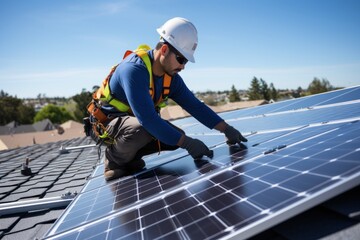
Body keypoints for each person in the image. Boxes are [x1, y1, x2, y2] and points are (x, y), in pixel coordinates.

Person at [101, 17, 248, 181]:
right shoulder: (134, 70)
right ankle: (113, 161)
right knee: (147, 131)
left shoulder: (170, 77)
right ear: (164, 50)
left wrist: (226, 129)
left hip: (134, 124)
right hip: (108, 124)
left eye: (185, 61)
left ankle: (130, 157)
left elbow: (195, 106)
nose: (183, 66)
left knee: (174, 137)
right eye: (181, 59)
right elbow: (148, 120)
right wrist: (187, 143)